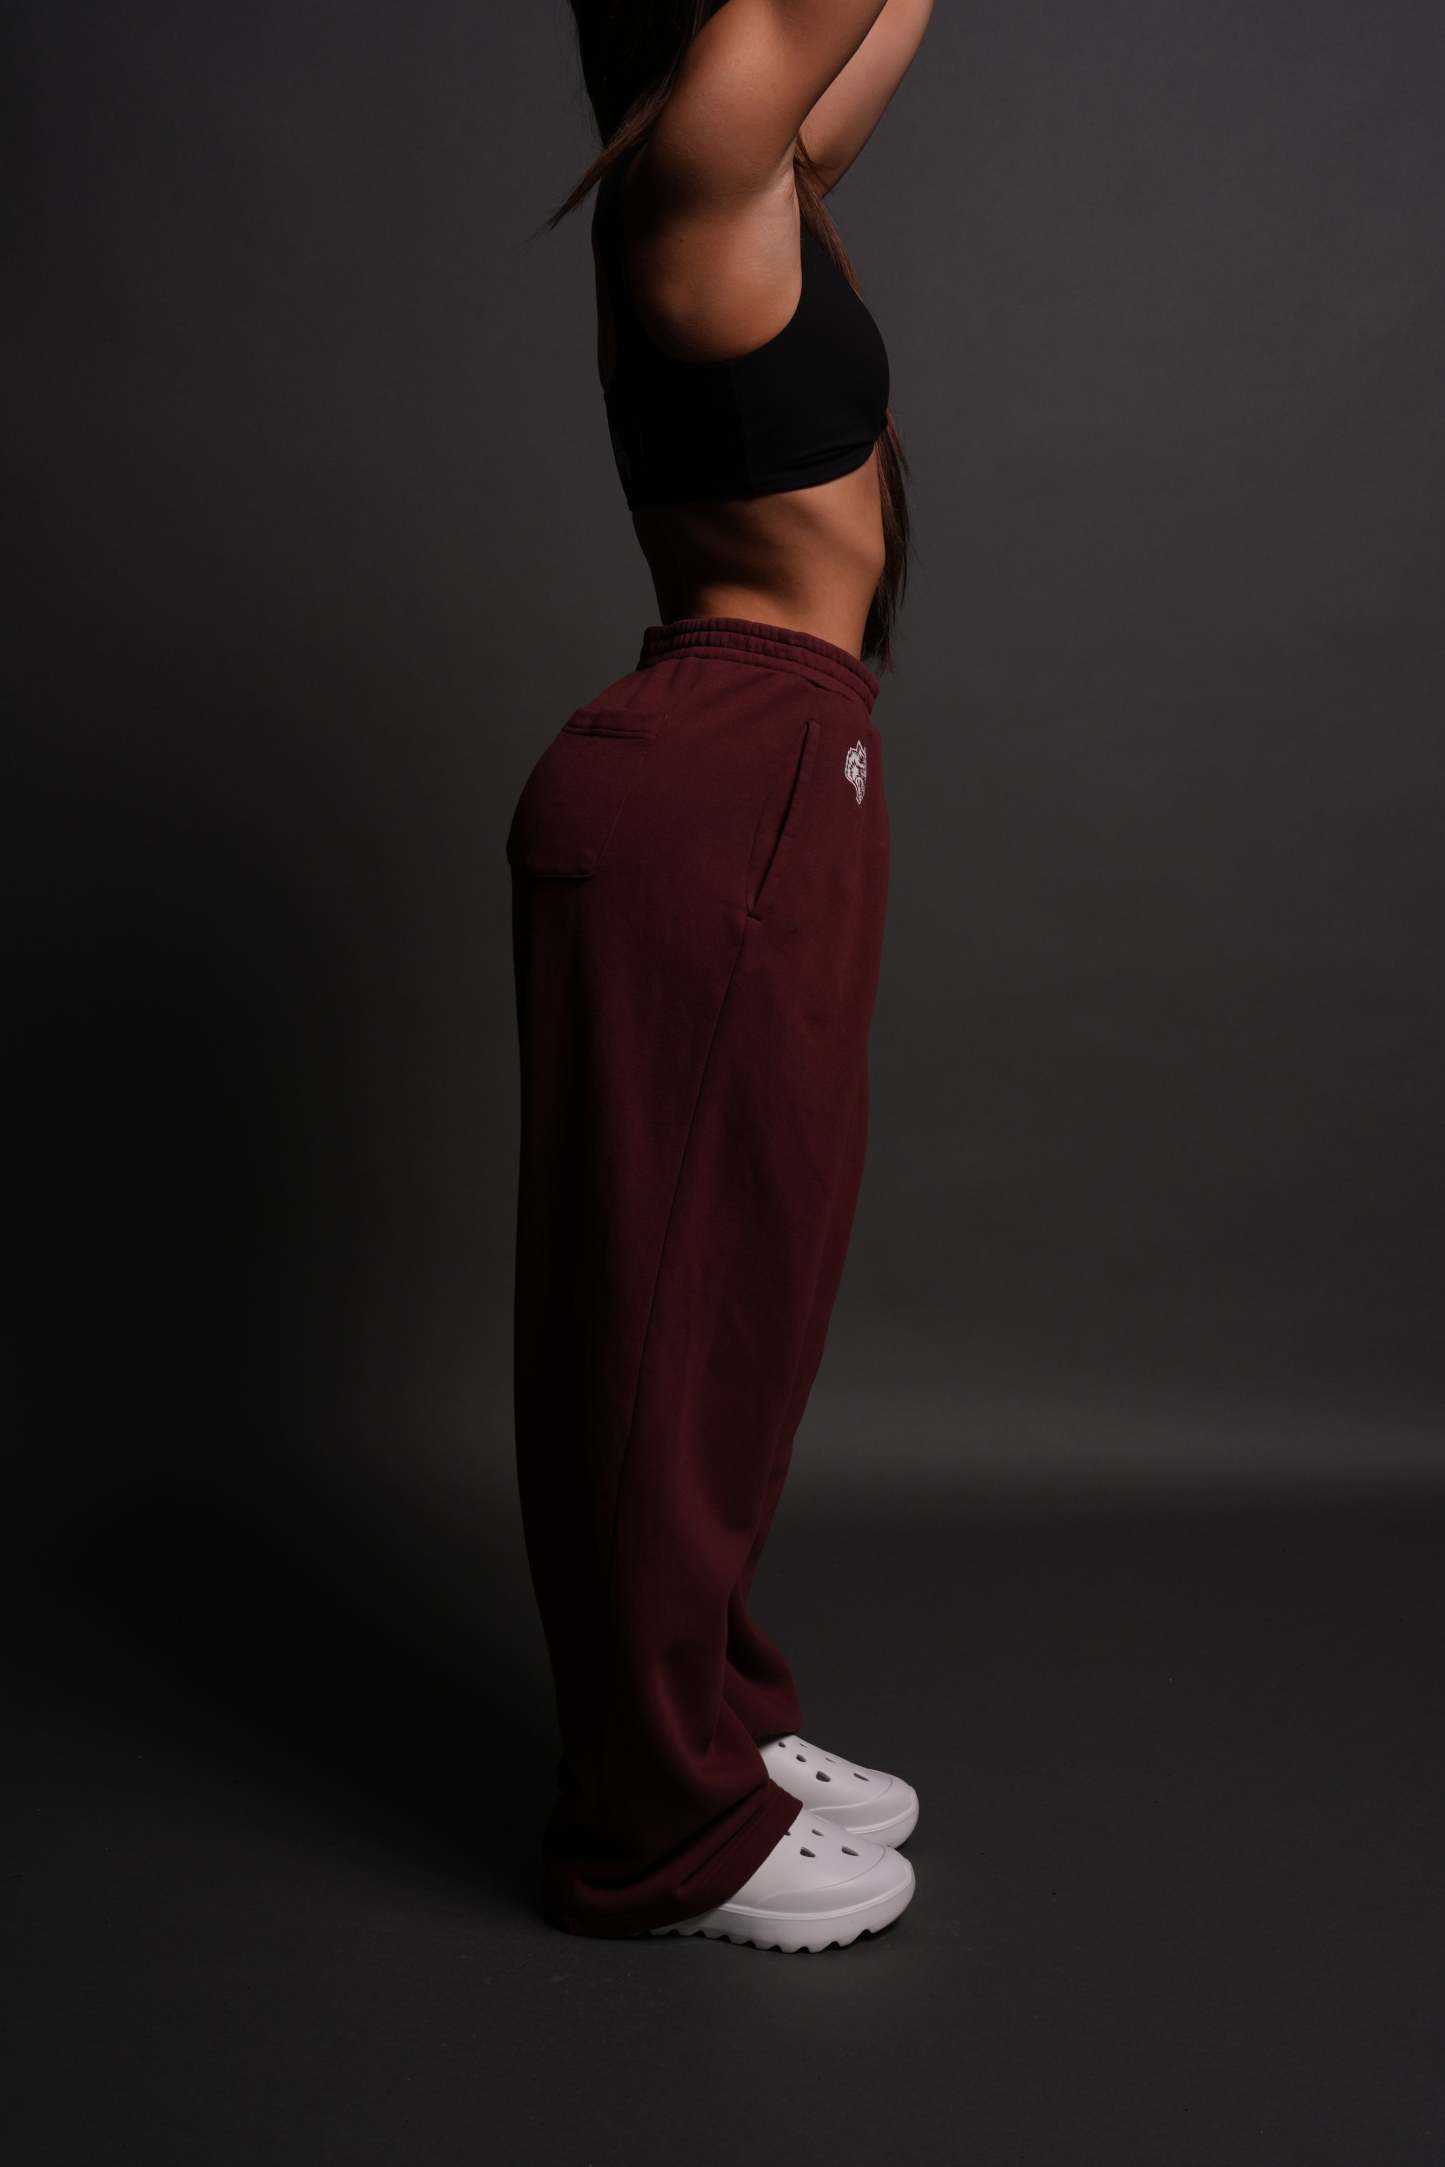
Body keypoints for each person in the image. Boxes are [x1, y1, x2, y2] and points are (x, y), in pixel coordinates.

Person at [505, 0, 931, 1951]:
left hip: (770, 766)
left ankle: (711, 1720)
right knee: (664, 1321)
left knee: (740, 1297)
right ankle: (654, 1827)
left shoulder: (761, 181)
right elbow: (783, 22)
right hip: (719, 778)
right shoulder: (690, 172)